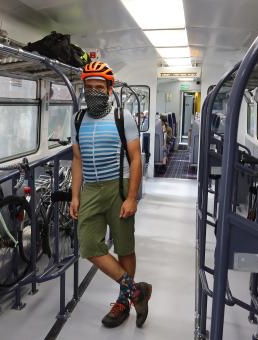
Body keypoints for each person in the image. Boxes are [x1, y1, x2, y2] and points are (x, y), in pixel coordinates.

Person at [69, 61, 152, 328]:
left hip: (118, 186)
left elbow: (135, 158)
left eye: (98, 87)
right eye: (88, 87)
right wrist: (75, 196)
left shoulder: (121, 117)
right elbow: (77, 159)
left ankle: (123, 301)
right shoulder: (78, 119)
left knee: (125, 246)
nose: (93, 92)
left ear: (108, 88)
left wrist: (131, 197)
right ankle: (135, 290)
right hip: (91, 188)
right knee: (89, 245)